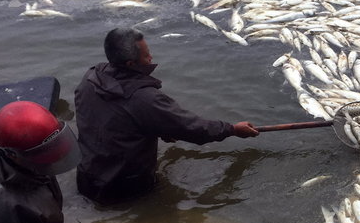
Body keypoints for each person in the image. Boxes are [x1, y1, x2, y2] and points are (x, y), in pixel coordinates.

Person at [74, 27, 259, 205]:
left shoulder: (90, 78)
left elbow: (114, 119)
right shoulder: (144, 98)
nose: (151, 57)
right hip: (123, 189)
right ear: (130, 63)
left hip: (87, 179)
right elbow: (192, 127)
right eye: (146, 55)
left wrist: (157, 126)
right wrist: (232, 129)